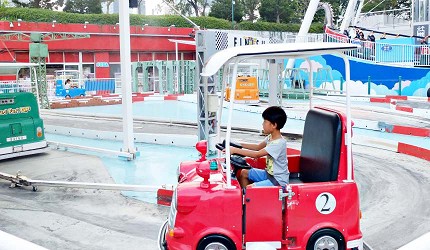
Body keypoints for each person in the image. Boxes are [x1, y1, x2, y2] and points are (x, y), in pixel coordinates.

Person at [227, 106, 289, 188]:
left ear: (274, 125)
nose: (262, 124)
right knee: (243, 173)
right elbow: (257, 147)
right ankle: (244, 198)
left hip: (278, 180)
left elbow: (256, 154)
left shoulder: (279, 143)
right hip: (269, 174)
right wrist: (238, 144)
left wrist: (235, 150)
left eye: (265, 121)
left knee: (250, 188)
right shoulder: (271, 137)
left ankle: (247, 198)